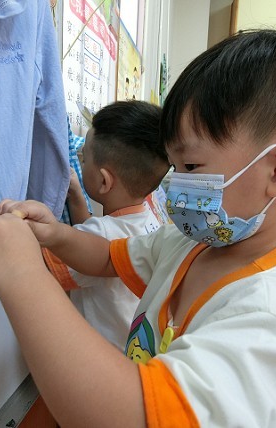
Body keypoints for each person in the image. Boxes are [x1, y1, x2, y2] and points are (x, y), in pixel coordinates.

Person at [0, 26, 276, 427]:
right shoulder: (189, 243)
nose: (174, 183)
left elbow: (139, 416)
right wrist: (56, 232)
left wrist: (22, 278)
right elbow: (108, 256)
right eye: (175, 166)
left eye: (191, 165)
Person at [45, 101, 170, 351]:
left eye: (83, 159)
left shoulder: (105, 232)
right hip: (135, 350)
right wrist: (77, 198)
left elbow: (44, 262)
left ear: (104, 181)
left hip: (100, 356)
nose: (80, 163)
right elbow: (92, 245)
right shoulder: (152, 214)